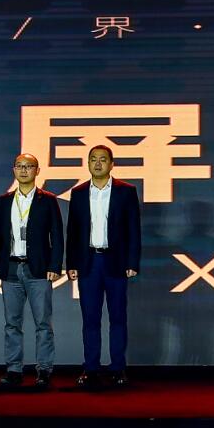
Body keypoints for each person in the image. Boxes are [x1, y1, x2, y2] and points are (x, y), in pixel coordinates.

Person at [66, 145, 142, 387]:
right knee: (90, 319)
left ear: (111, 164)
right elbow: (73, 231)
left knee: (118, 318)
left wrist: (132, 261)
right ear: (88, 163)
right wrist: (72, 263)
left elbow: (134, 229)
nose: (97, 164)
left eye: (102, 159)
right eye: (93, 159)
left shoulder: (126, 191)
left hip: (116, 261)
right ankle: (91, 368)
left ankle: (118, 368)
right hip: (88, 262)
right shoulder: (78, 192)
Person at [0, 153, 65, 388]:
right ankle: (14, 370)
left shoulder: (48, 200)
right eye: (19, 166)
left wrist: (55, 265)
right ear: (14, 170)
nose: (23, 170)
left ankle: (44, 370)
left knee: (43, 324)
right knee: (12, 323)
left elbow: (57, 236)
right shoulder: (5, 200)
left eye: (28, 166)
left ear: (37, 171)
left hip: (38, 269)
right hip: (10, 268)